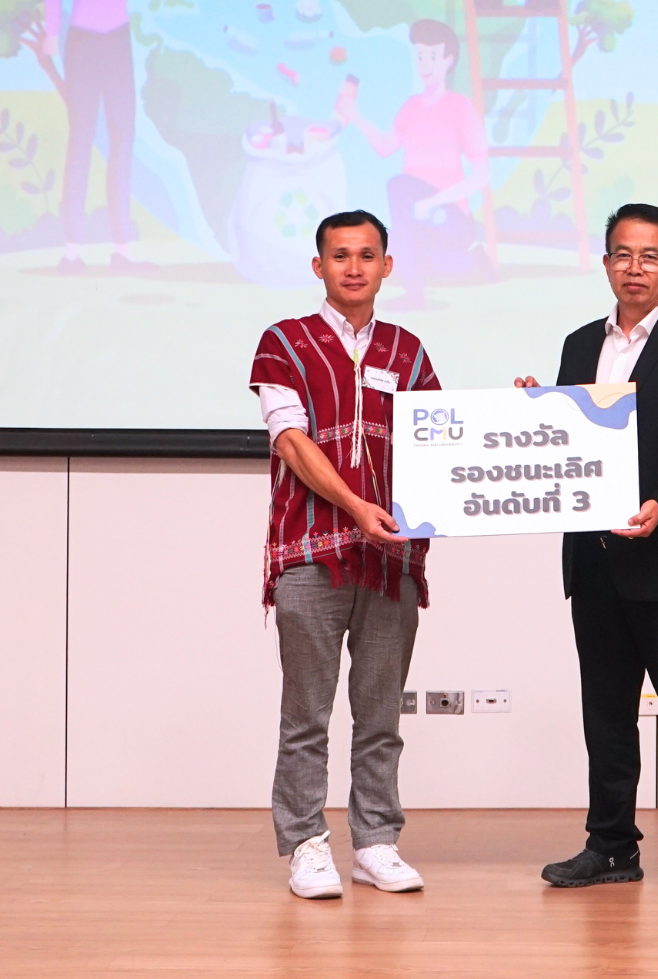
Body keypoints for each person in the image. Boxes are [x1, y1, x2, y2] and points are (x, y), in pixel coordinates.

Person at [515, 203, 658, 898]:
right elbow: (571, 441)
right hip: (595, 562)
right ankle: (611, 845)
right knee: (606, 714)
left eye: (650, 256)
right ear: (606, 262)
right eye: (622, 254)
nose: (634, 267)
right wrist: (535, 413)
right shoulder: (581, 343)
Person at [248, 211, 442, 900]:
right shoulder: (284, 343)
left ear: (387, 265)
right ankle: (305, 843)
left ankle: (376, 843)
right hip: (310, 553)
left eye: (366, 255)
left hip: (391, 561)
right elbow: (291, 442)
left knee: (380, 713)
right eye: (339, 255)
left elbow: (443, 443)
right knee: (306, 714)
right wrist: (357, 506)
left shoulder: (408, 351)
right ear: (318, 266)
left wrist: (519, 416)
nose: (353, 267)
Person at [40, 0, 185, 270]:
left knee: (123, 136)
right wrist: (52, 33)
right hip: (84, 45)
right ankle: (72, 248)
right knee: (82, 137)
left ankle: (122, 246)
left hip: (117, 42)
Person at [334, 19, 491, 308]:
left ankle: (415, 294)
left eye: (432, 56)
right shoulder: (412, 107)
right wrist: (354, 115)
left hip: (448, 214)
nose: (425, 64)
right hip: (417, 215)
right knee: (389, 241)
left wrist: (432, 203)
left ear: (448, 60)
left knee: (399, 186)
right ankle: (470, 262)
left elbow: (480, 177)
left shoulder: (460, 107)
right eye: (420, 56)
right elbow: (385, 147)